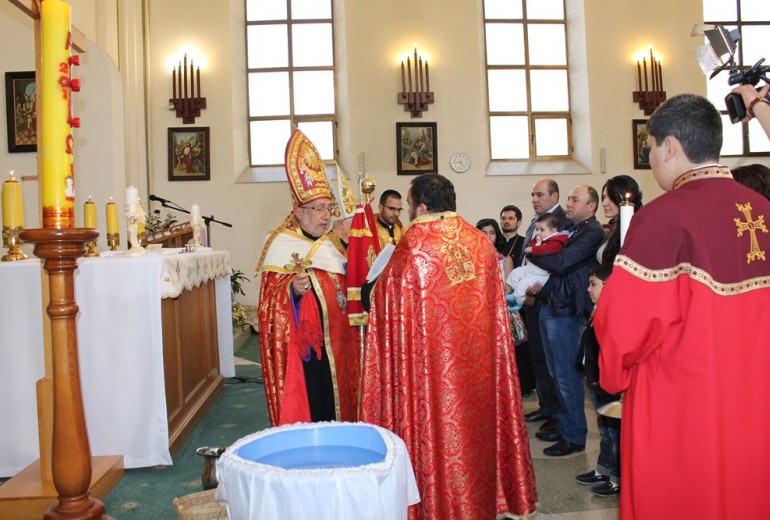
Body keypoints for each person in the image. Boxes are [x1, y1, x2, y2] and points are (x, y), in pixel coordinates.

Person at [595, 93, 770, 519]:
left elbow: (625, 330)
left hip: (683, 405)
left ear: (669, 146)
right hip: (754, 401)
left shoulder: (663, 217)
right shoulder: (763, 209)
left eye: (650, 147)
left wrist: (604, 312)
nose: (650, 159)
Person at [361, 173, 538, 520]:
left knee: (439, 438)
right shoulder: (480, 242)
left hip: (430, 378)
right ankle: (485, 500)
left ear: (422, 206)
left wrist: (369, 291)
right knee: (477, 436)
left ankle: (437, 505)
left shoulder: (414, 246)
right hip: (479, 373)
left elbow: (384, 301)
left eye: (411, 205)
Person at [256, 129, 359, 426]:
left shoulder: (330, 244)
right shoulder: (281, 246)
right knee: (315, 407)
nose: (326, 216)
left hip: (340, 347)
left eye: (328, 209)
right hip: (307, 355)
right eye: (318, 209)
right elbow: (268, 307)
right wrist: (293, 292)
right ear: (298, 212)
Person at [527, 184, 604, 456]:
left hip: (569, 310)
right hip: (554, 304)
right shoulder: (573, 229)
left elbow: (562, 263)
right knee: (555, 373)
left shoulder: (592, 232)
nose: (568, 203)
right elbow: (557, 264)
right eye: (569, 198)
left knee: (567, 376)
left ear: (591, 206)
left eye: (575, 199)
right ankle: (563, 424)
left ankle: (574, 435)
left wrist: (532, 254)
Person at [520, 179, 566, 433]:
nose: (535, 199)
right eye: (533, 194)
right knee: (538, 357)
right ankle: (546, 405)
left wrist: (535, 290)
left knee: (551, 362)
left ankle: (558, 413)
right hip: (531, 297)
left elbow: (554, 260)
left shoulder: (561, 220)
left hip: (545, 296)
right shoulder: (535, 220)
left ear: (554, 195)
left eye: (540, 194)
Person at [575, 263, 621, 498]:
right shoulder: (597, 309)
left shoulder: (613, 314)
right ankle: (603, 469)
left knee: (614, 434)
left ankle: (616, 478)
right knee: (604, 430)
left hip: (607, 383)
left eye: (593, 284)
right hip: (596, 380)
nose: (588, 289)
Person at [505, 213, 568, 308]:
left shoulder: (556, 242)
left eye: (542, 230)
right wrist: (535, 243)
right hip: (531, 268)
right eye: (537, 229)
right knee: (515, 273)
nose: (538, 232)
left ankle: (519, 301)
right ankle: (514, 293)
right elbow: (533, 243)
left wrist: (533, 249)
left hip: (540, 273)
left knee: (523, 284)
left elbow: (548, 249)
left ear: (553, 231)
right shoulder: (542, 238)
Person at [597, 175, 643, 266]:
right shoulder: (613, 226)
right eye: (603, 197)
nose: (604, 203)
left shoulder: (635, 228)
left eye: (610, 198)